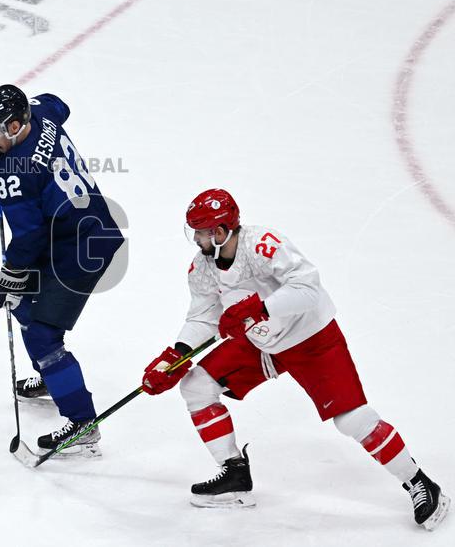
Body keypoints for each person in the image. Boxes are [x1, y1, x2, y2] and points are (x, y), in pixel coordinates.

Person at [140, 188, 449, 530]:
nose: (196, 238)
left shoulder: (261, 245)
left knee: (353, 420)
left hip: (311, 338)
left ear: (223, 230)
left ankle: (420, 482)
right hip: (261, 342)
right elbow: (204, 316)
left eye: (202, 230)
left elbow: (307, 287)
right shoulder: (202, 267)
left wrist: (260, 307)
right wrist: (177, 355)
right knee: (196, 385)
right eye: (194, 231)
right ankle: (235, 475)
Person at [0, 84, 124, 455]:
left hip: (80, 248)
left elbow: (27, 237)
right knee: (23, 305)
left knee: (43, 334)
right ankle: (52, 379)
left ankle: (82, 423)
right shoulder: (40, 112)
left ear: (13, 126)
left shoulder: (13, 173)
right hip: (79, 227)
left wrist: (8, 276)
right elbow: (59, 103)